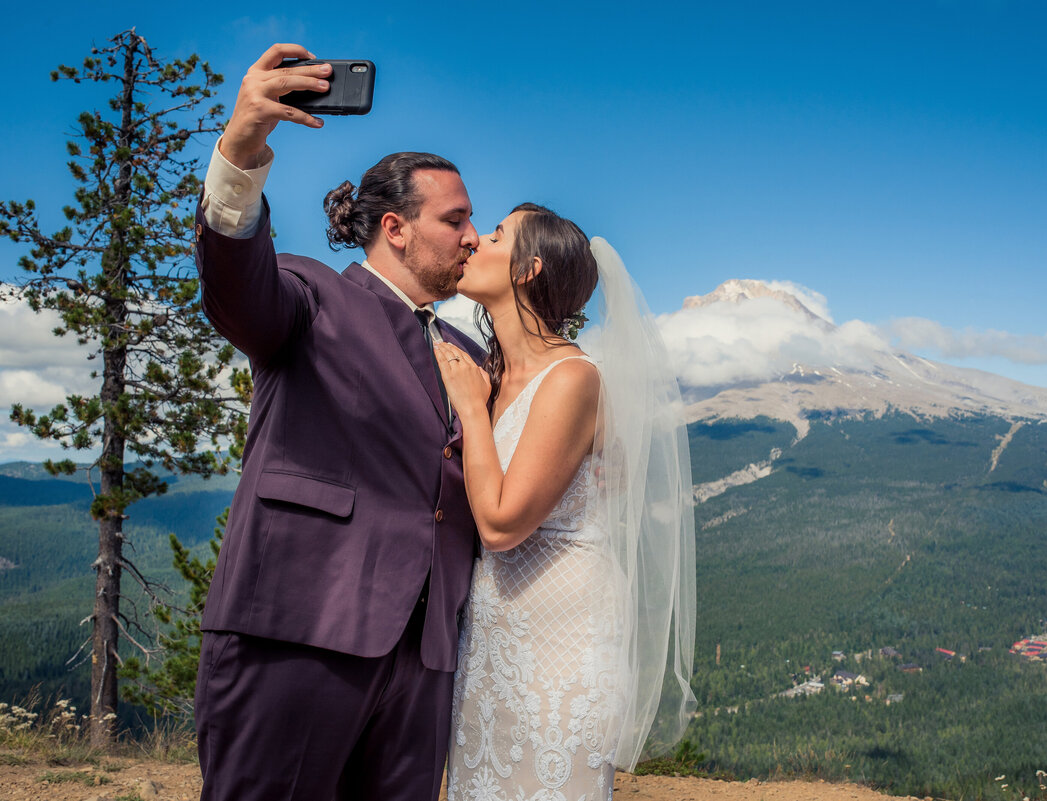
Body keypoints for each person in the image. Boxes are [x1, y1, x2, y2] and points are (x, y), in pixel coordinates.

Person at [192, 44, 484, 801]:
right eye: (455, 220)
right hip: (299, 630)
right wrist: (242, 146)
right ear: (394, 227)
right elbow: (235, 286)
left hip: (424, 659)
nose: (472, 237)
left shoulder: (462, 350)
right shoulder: (308, 293)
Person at [433, 204, 697, 800]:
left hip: (562, 642)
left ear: (528, 268)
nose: (475, 242)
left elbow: (500, 525)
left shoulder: (573, 377)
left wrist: (472, 412)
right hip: (492, 630)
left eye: (496, 235)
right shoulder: (491, 374)